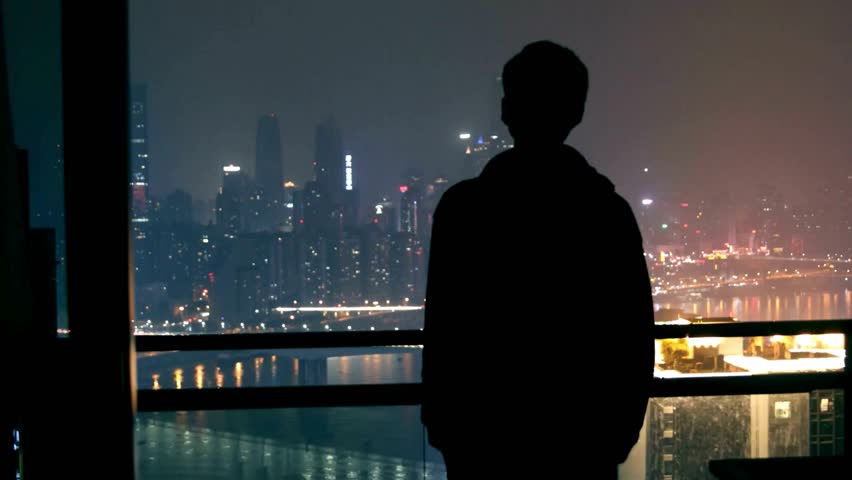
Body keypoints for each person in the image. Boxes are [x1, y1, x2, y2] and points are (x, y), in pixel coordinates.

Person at [421, 40, 654, 479]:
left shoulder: (464, 209)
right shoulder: (605, 212)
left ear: (507, 110)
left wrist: (444, 425)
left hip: (483, 436)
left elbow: (446, 325)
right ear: (578, 112)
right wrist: (619, 432)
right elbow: (633, 331)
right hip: (582, 437)